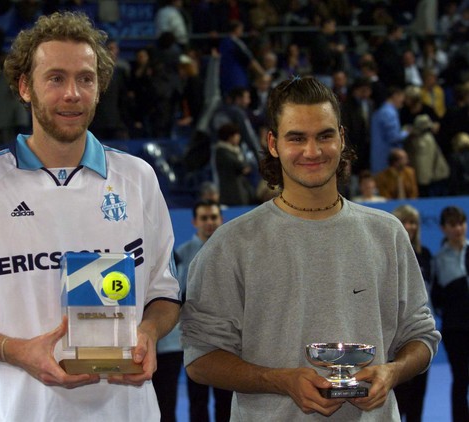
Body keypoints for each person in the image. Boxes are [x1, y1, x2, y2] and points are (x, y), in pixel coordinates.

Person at [0, 11, 180, 421]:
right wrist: (15, 351)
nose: (72, 93)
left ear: (100, 88)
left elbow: (164, 295)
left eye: (85, 79)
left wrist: (148, 331)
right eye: (55, 78)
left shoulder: (138, 178)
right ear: (24, 87)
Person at [180, 76, 440, 420]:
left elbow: (420, 335)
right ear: (273, 143)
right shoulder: (231, 244)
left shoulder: (387, 233)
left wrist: (392, 371)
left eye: (325, 135)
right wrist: (280, 380)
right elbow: (201, 358)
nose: (313, 151)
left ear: (342, 138)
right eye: (297, 138)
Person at [153, 199, 231, 422]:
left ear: (221, 220)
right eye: (204, 218)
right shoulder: (181, 254)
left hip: (227, 340)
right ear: (195, 222)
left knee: (226, 399)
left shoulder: (232, 252)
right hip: (190, 340)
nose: (209, 223)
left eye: (213, 217)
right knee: (197, 399)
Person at [392, 204, 433, 422]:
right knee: (399, 396)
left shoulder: (425, 254)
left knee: (419, 393)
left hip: (421, 329)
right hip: (396, 334)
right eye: (406, 221)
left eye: (414, 222)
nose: (410, 226)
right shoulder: (388, 255)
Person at [431, 206, 469, 422]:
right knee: (461, 378)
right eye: (453, 224)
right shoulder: (438, 261)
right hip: (456, 329)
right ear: (443, 228)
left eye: (461, 223)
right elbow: (436, 299)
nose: (459, 228)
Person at [370, 86, 409, 174]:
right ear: (395, 96)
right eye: (402, 97)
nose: (403, 101)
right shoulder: (389, 113)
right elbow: (393, 138)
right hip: (385, 161)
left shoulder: (380, 111)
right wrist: (406, 132)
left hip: (378, 160)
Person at [213, 123, 255, 206]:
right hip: (231, 192)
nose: (239, 137)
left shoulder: (236, 151)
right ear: (230, 137)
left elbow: (246, 167)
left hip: (241, 188)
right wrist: (243, 168)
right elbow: (240, 166)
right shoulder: (222, 151)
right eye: (237, 135)